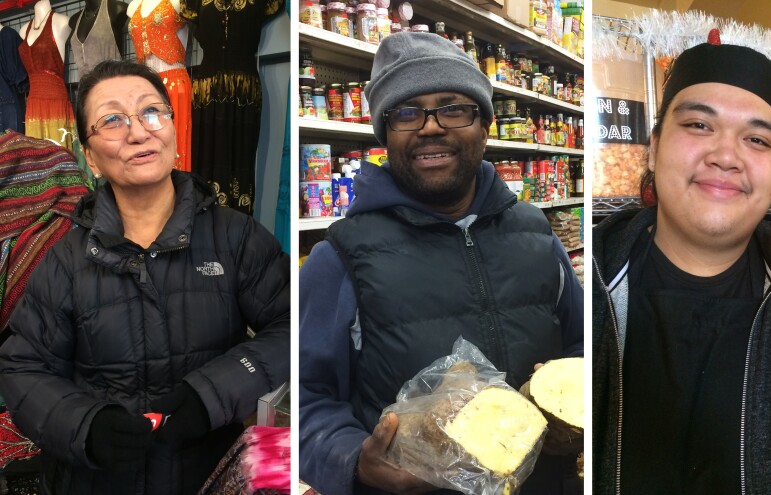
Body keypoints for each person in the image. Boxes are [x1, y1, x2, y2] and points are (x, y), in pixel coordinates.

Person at [299, 32, 584, 495]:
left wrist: (567, 401)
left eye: (454, 108)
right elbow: (308, 398)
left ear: (484, 126)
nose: (430, 127)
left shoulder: (538, 235)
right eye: (407, 112)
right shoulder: (339, 258)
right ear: (385, 134)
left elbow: (580, 345)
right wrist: (354, 460)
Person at [592, 40, 771, 494]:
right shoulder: (593, 274)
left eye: (757, 139)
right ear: (653, 147)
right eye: (699, 124)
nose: (726, 156)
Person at [0, 59, 290, 495]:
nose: (138, 131)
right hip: (96, 481)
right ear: (91, 158)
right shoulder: (64, 259)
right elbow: (22, 367)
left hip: (211, 474)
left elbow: (292, 329)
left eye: (151, 111)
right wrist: (85, 425)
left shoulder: (237, 237)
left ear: (173, 131)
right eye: (112, 120)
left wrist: (211, 392)